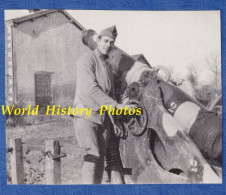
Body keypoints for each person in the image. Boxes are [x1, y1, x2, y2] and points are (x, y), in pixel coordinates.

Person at [72, 25, 136, 184]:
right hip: (86, 115)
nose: (108, 44)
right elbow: (90, 89)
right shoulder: (86, 60)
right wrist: (118, 107)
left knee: (100, 157)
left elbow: (111, 94)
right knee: (93, 155)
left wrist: (114, 120)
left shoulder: (107, 65)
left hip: (103, 118)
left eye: (111, 42)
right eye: (105, 40)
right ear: (98, 40)